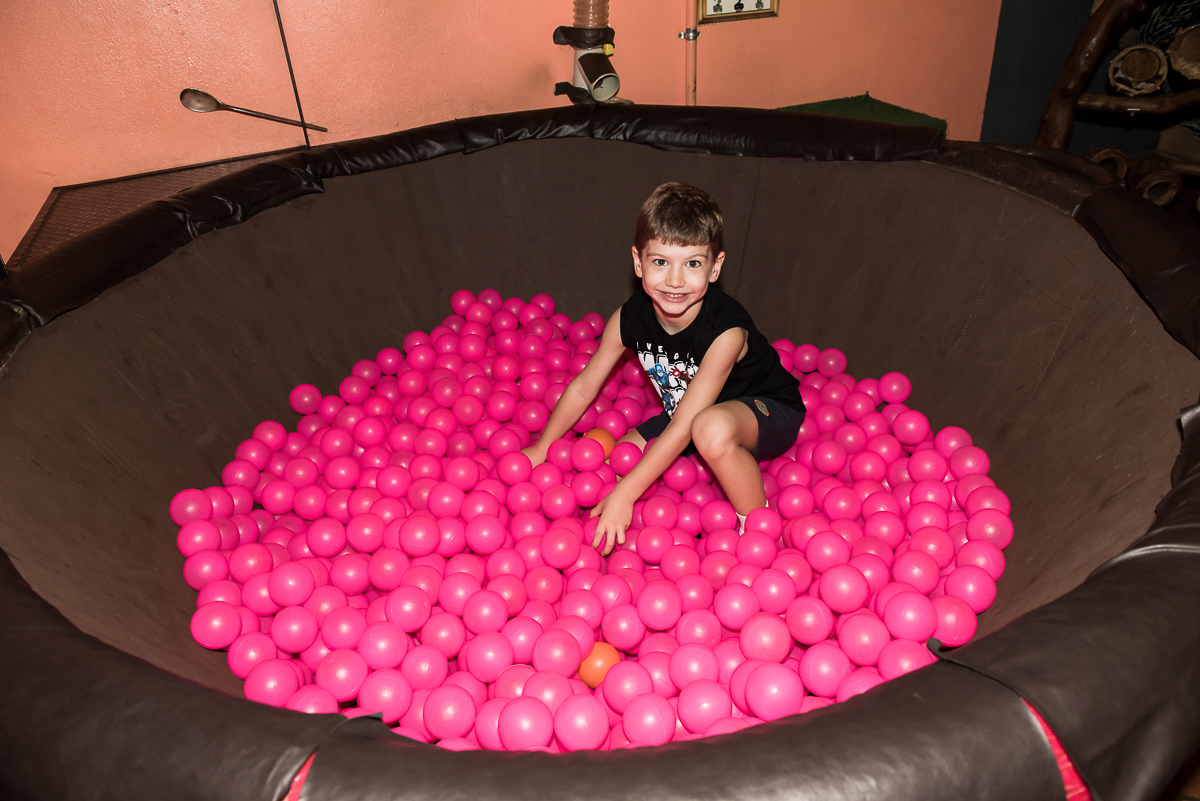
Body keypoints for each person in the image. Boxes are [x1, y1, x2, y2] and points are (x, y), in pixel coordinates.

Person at [522, 182, 804, 554]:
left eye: (692, 264)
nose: (674, 281)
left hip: (766, 410)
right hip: (686, 415)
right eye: (660, 262)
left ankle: (758, 531)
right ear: (638, 262)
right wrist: (543, 447)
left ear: (715, 267)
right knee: (622, 457)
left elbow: (689, 423)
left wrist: (624, 496)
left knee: (709, 429)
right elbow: (582, 388)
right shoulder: (629, 319)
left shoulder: (725, 333)